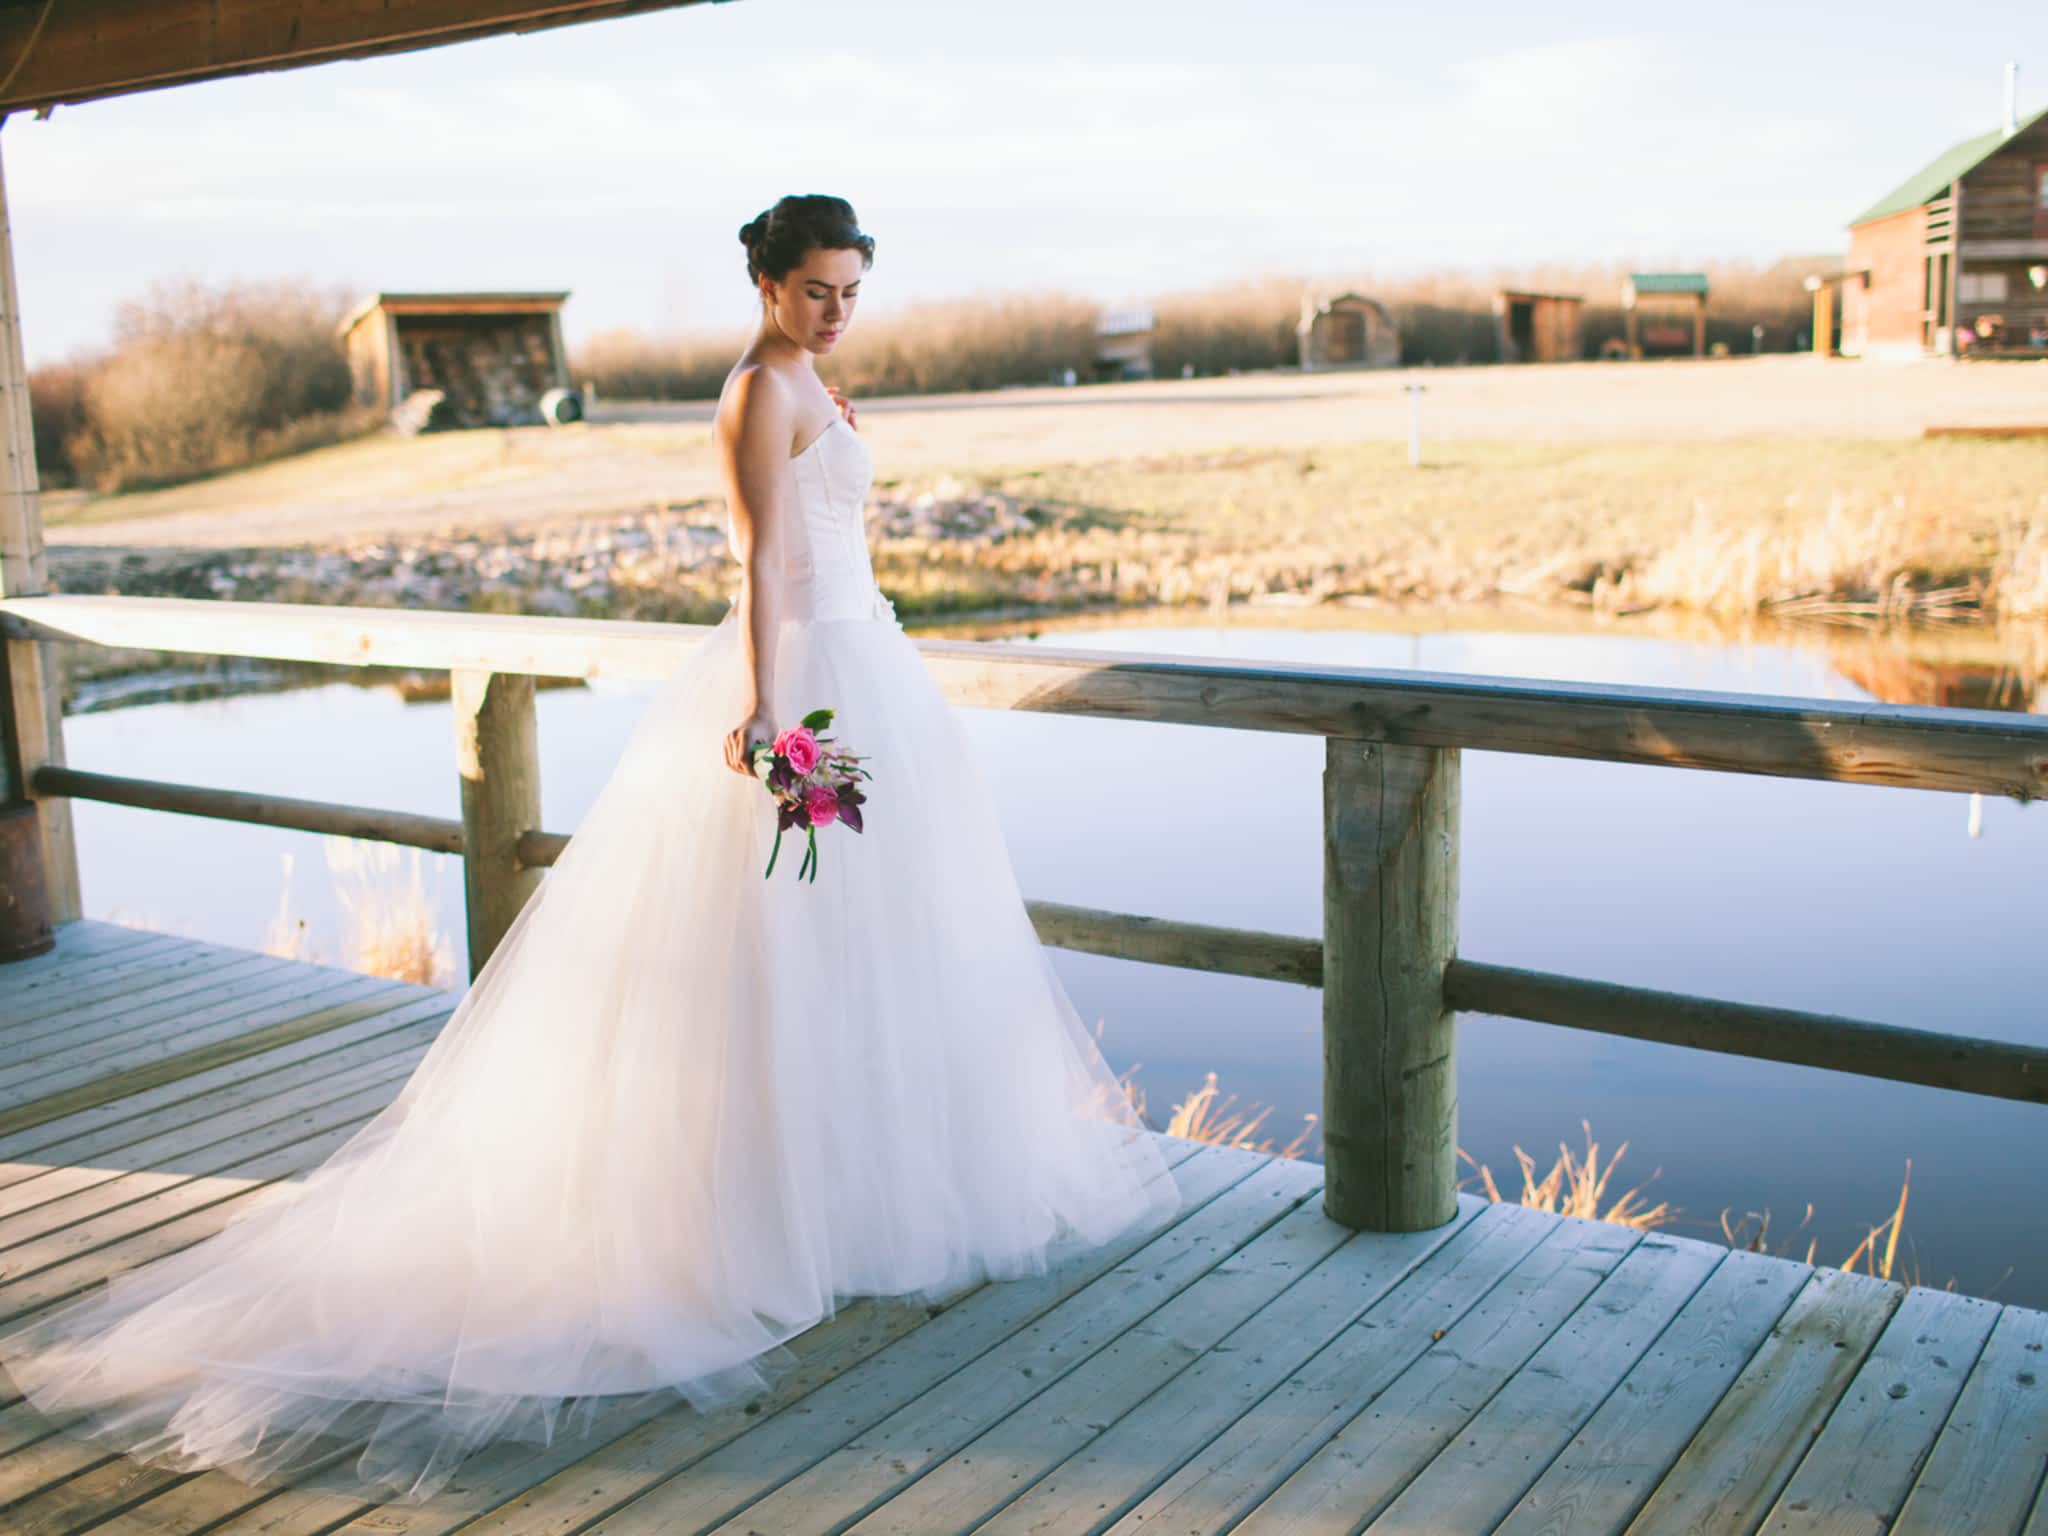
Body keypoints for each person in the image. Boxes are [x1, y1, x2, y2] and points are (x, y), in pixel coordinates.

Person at [0, 193, 1179, 1503]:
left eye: (852, 290)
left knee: (880, 945)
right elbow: (760, 563)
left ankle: (857, 1196)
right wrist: (765, 712)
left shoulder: (817, 385)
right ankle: (756, 1217)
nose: (836, 311)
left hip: (874, 663)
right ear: (768, 284)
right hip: (804, 677)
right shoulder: (755, 395)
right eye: (816, 291)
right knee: (776, 946)